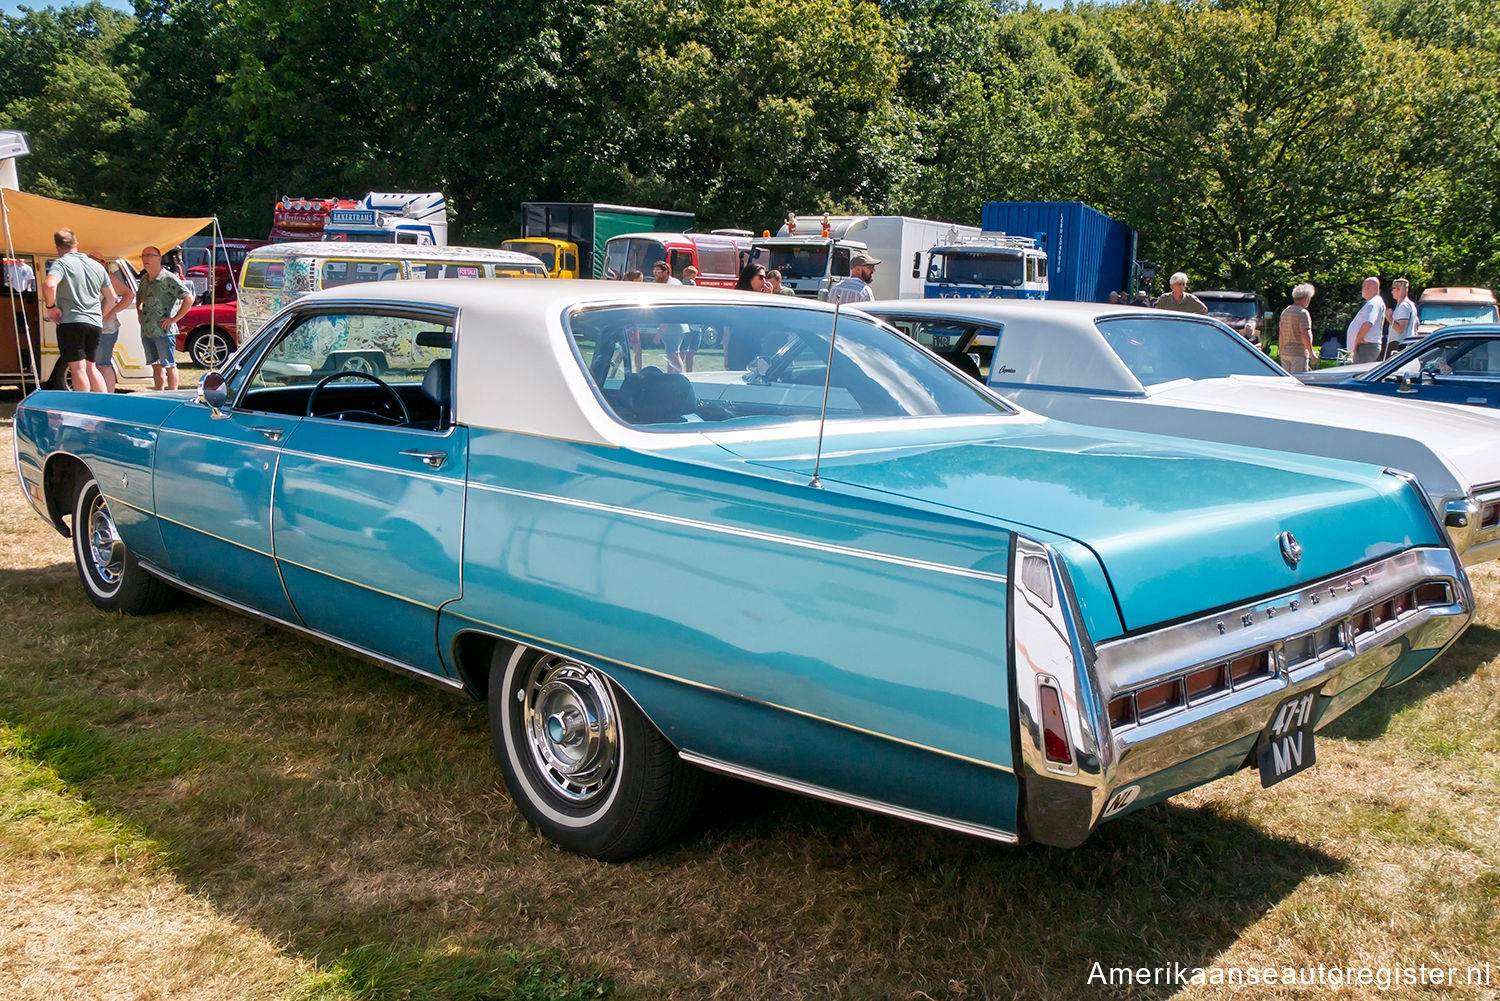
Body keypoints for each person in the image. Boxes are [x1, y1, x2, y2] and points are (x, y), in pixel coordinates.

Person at [42, 228, 113, 392]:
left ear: (58, 247)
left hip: (71, 322)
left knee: (78, 368)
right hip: (94, 324)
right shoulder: (96, 265)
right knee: (91, 367)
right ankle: (101, 407)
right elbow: (111, 297)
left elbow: (49, 285)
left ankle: (83, 409)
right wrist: (99, 315)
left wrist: (51, 307)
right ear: (77, 244)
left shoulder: (61, 263)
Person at [136, 245, 194, 390]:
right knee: (155, 365)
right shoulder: (144, 278)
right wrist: (139, 311)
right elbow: (139, 297)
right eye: (143, 256)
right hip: (147, 330)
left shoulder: (168, 278)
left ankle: (173, 395)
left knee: (169, 365)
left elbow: (189, 298)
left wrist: (174, 319)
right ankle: (158, 393)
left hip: (164, 331)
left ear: (158, 258)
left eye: (149, 255)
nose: (145, 259)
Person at [89, 252, 135, 393]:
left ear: (103, 263)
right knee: (96, 364)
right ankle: (101, 394)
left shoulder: (107, 277)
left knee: (103, 364)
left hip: (106, 328)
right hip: (96, 327)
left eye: (94, 260)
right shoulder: (92, 278)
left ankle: (108, 394)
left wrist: (110, 313)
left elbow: (129, 295)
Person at [723, 264, 769, 369]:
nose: (764, 282)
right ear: (749, 277)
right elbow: (727, 330)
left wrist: (768, 297)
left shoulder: (763, 298)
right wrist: (726, 357)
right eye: (761, 277)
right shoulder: (738, 298)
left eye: (765, 278)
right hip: (740, 348)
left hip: (758, 347)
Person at [1277, 283, 1316, 374]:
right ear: (1306, 298)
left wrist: (1281, 350)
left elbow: (1281, 333)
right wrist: (1311, 353)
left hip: (1285, 352)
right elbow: (1305, 334)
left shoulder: (1285, 311)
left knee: (1287, 382)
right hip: (1298, 353)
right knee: (1298, 381)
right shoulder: (1303, 313)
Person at [1345, 276, 1385, 363]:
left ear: (1369, 286)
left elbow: (1368, 322)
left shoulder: (1373, 303)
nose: (1363, 289)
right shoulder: (1375, 302)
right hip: (1366, 346)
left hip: (1366, 346)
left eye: (1364, 287)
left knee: (1360, 374)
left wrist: (1357, 340)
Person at [1386, 278, 1419, 357]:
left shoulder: (1404, 306)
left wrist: (1389, 317)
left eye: (1393, 289)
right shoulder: (1411, 304)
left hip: (1399, 345)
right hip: (1405, 344)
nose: (1392, 292)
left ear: (1398, 289)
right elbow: (1417, 323)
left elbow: (1400, 329)